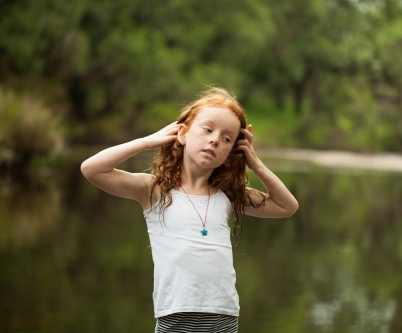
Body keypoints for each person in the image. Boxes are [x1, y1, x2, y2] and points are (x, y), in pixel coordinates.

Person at [80, 87, 299, 333]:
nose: (215, 139)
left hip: (222, 316)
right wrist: (146, 142)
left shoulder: (228, 195)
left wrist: (255, 163)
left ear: (231, 153)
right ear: (183, 134)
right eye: (207, 130)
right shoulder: (155, 190)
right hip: (175, 314)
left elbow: (286, 206)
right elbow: (92, 169)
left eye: (227, 138)